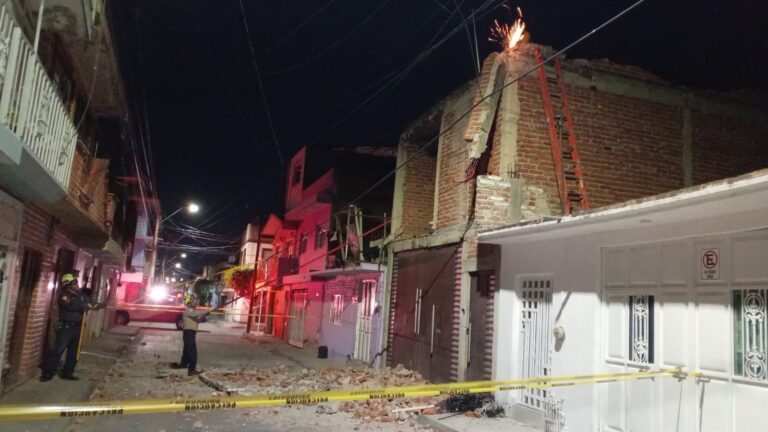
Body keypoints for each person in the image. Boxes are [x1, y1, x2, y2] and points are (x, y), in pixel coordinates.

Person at [40, 273, 92, 382]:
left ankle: (68, 373)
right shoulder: (64, 295)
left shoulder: (81, 295)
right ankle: (47, 373)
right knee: (58, 350)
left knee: (74, 352)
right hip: (66, 328)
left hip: (78, 328)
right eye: (74, 282)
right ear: (67, 285)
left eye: (76, 282)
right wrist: (83, 305)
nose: (76, 284)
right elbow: (73, 306)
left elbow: (89, 305)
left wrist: (84, 305)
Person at [171, 294, 206, 376]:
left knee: (187, 351)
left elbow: (201, 318)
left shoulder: (192, 312)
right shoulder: (188, 311)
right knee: (192, 351)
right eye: (193, 301)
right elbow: (196, 314)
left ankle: (183, 365)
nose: (195, 302)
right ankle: (192, 370)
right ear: (189, 304)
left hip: (190, 333)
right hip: (189, 333)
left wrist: (205, 315)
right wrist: (207, 311)